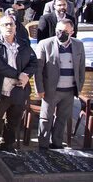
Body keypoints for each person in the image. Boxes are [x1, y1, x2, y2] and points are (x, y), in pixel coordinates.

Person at [0, 15, 37, 159]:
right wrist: (18, 74)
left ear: (15, 27)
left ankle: (7, 146)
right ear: (0, 28)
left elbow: (34, 62)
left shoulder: (24, 43)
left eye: (11, 24)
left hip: (19, 91)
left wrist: (26, 74)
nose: (9, 27)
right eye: (5, 25)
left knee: (13, 121)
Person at [35, 20, 85, 150]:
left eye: (64, 32)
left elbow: (81, 68)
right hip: (50, 90)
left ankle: (56, 144)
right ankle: (43, 145)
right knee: (46, 118)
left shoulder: (78, 45)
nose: (60, 34)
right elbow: (38, 70)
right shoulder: (45, 44)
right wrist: (39, 88)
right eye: (59, 30)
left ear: (72, 32)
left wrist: (78, 86)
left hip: (69, 90)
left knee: (62, 118)